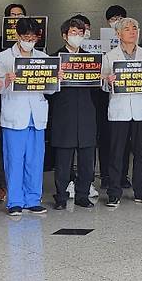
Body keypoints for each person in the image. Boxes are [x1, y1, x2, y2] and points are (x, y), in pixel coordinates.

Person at [0, 17, 58, 216]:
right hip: (14, 115)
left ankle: (33, 198)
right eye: (25, 36)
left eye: (33, 36)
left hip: (37, 115)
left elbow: (49, 91)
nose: (29, 40)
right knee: (14, 159)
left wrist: (55, 80)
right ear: (17, 36)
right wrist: (6, 79)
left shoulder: (43, 56)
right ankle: (15, 200)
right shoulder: (4, 57)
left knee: (35, 159)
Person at [101, 17, 142, 208]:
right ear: (118, 34)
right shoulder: (109, 56)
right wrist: (108, 81)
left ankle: (141, 191)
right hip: (119, 109)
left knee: (141, 153)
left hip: (141, 110)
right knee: (117, 152)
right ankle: (114, 192)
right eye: (127, 29)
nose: (132, 32)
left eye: (135, 28)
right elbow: (103, 86)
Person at [49, 18, 98, 210]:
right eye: (73, 33)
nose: (77, 37)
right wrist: (55, 78)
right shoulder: (54, 58)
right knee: (63, 160)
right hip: (64, 114)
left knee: (87, 159)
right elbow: (47, 90)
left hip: (86, 113)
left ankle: (83, 195)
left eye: (80, 33)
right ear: (64, 36)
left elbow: (98, 90)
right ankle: (61, 196)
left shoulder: (92, 59)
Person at [0, 2, 27, 204]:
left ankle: (24, 186)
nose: (16, 19)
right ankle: (1, 185)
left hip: (30, 103)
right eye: (12, 16)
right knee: (3, 145)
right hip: (7, 101)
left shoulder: (37, 44)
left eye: (20, 15)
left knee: (28, 149)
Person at [97, 5, 131, 190]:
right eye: (113, 18)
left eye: (120, 18)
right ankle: (106, 175)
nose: (116, 21)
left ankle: (123, 175)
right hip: (105, 96)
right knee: (106, 138)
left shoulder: (135, 44)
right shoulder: (100, 43)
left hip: (126, 97)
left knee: (124, 141)